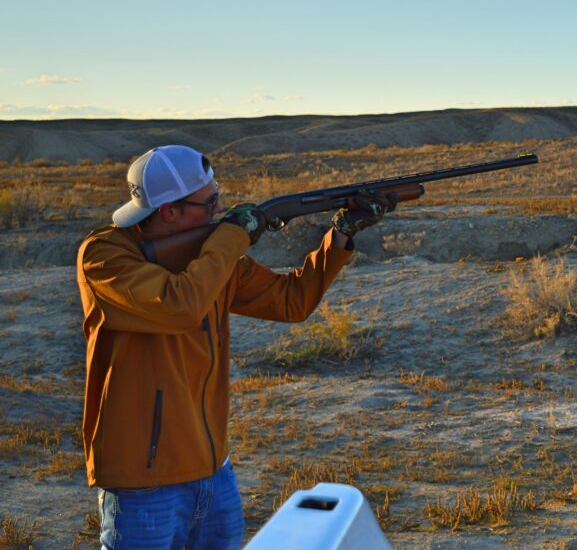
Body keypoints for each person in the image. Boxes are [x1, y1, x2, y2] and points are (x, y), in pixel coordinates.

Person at [76, 144, 395, 550]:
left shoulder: (210, 257)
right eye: (209, 203)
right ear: (170, 211)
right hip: (144, 483)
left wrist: (340, 236)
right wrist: (231, 236)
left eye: (218, 198)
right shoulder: (104, 257)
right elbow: (180, 306)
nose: (220, 210)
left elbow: (291, 301)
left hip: (214, 472)